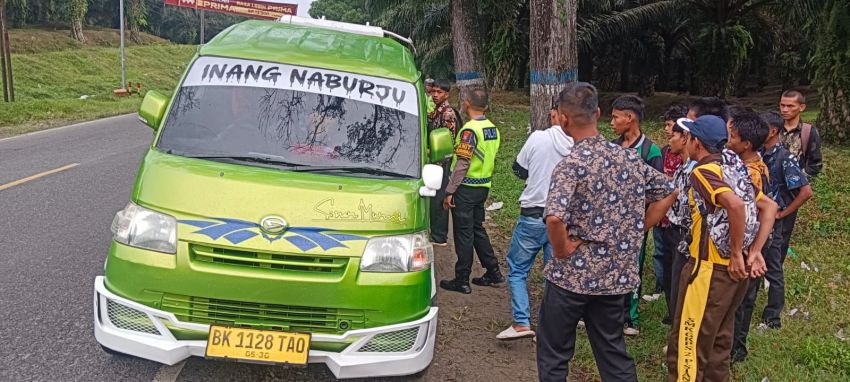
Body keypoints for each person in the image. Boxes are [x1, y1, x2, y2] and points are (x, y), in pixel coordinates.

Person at [536, 82, 676, 382]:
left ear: (562, 118)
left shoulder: (571, 165)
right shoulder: (629, 159)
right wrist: (642, 225)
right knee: (612, 351)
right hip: (615, 278)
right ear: (598, 113)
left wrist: (560, 251)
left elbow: (554, 219)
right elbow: (668, 190)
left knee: (554, 354)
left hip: (571, 278)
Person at [666, 115, 777, 382]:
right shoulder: (736, 168)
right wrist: (755, 251)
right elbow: (769, 207)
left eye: (689, 137)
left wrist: (739, 252)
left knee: (688, 346)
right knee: (718, 343)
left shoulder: (703, 171)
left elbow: (735, 206)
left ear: (696, 142)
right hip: (733, 275)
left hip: (708, 271)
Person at [732, 112, 814, 363]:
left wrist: (780, 214)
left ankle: (770, 318)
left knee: (770, 272)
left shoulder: (782, 158)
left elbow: (805, 191)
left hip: (767, 229)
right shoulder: (758, 157)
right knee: (752, 282)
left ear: (773, 131)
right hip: (759, 226)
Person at [497, 103, 574, 340]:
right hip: (562, 218)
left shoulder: (537, 138)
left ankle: (521, 322)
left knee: (518, 269)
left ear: (555, 114)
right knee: (555, 274)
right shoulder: (578, 146)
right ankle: (552, 325)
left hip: (533, 214)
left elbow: (518, 169)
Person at [439, 88, 503, 294]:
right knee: (477, 229)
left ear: (467, 103)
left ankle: (462, 279)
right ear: (485, 106)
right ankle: (493, 272)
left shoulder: (469, 131)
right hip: (482, 187)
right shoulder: (492, 128)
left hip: (466, 188)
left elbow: (463, 163)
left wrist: (450, 190)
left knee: (464, 233)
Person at [610, 94, 664, 336]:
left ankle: (629, 316)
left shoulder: (650, 151)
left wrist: (642, 220)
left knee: (632, 267)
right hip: (609, 222)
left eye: (615, 117)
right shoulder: (612, 147)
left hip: (635, 223)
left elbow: (659, 191)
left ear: (629, 118)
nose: (611, 122)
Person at [652, 105, 687, 324]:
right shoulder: (666, 152)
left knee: (680, 272)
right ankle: (672, 312)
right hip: (668, 222)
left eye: (672, 130)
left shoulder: (698, 169)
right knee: (667, 262)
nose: (668, 133)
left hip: (683, 230)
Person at [663, 117, 697, 337]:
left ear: (685, 138)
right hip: (674, 233)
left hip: (687, 238)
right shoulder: (683, 168)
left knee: (683, 292)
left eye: (674, 135)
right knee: (675, 290)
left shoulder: (697, 172)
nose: (670, 140)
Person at [427, 79, 459, 247]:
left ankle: (440, 236)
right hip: (436, 159)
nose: (435, 95)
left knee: (439, 197)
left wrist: (432, 152)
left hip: (442, 160)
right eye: (433, 92)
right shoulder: (436, 111)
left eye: (439, 92)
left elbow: (448, 141)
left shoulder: (447, 113)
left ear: (447, 94)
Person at [779, 89, 823, 178]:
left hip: (798, 185)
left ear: (801, 107)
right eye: (782, 105)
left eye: (790, 106)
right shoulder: (774, 129)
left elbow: (815, 164)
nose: (785, 109)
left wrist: (799, 179)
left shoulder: (808, 131)